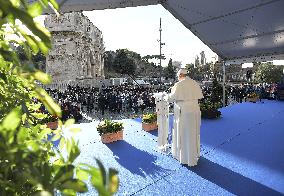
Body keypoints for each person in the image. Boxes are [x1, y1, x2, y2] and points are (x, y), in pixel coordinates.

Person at [164, 68, 203, 166]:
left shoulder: (179, 84)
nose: (177, 77)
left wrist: (164, 96)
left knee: (184, 133)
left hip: (184, 112)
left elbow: (171, 98)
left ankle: (185, 158)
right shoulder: (194, 83)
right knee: (193, 132)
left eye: (178, 75)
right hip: (195, 110)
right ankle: (193, 155)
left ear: (181, 75)